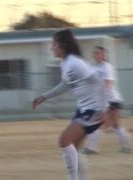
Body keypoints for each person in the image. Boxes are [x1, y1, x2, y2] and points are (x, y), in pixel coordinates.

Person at [32, 29, 107, 180]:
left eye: (54, 44)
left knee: (64, 140)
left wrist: (103, 109)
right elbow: (65, 85)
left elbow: (98, 81)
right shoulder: (65, 64)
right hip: (82, 110)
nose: (51, 47)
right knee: (75, 149)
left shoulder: (75, 62)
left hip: (92, 110)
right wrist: (44, 97)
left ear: (63, 45)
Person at [83, 46, 133, 154]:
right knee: (113, 125)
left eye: (99, 53)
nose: (96, 55)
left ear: (104, 55)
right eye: (95, 53)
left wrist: (104, 104)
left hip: (112, 99)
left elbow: (108, 84)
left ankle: (91, 149)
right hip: (102, 100)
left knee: (101, 124)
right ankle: (127, 147)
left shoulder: (107, 67)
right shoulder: (93, 68)